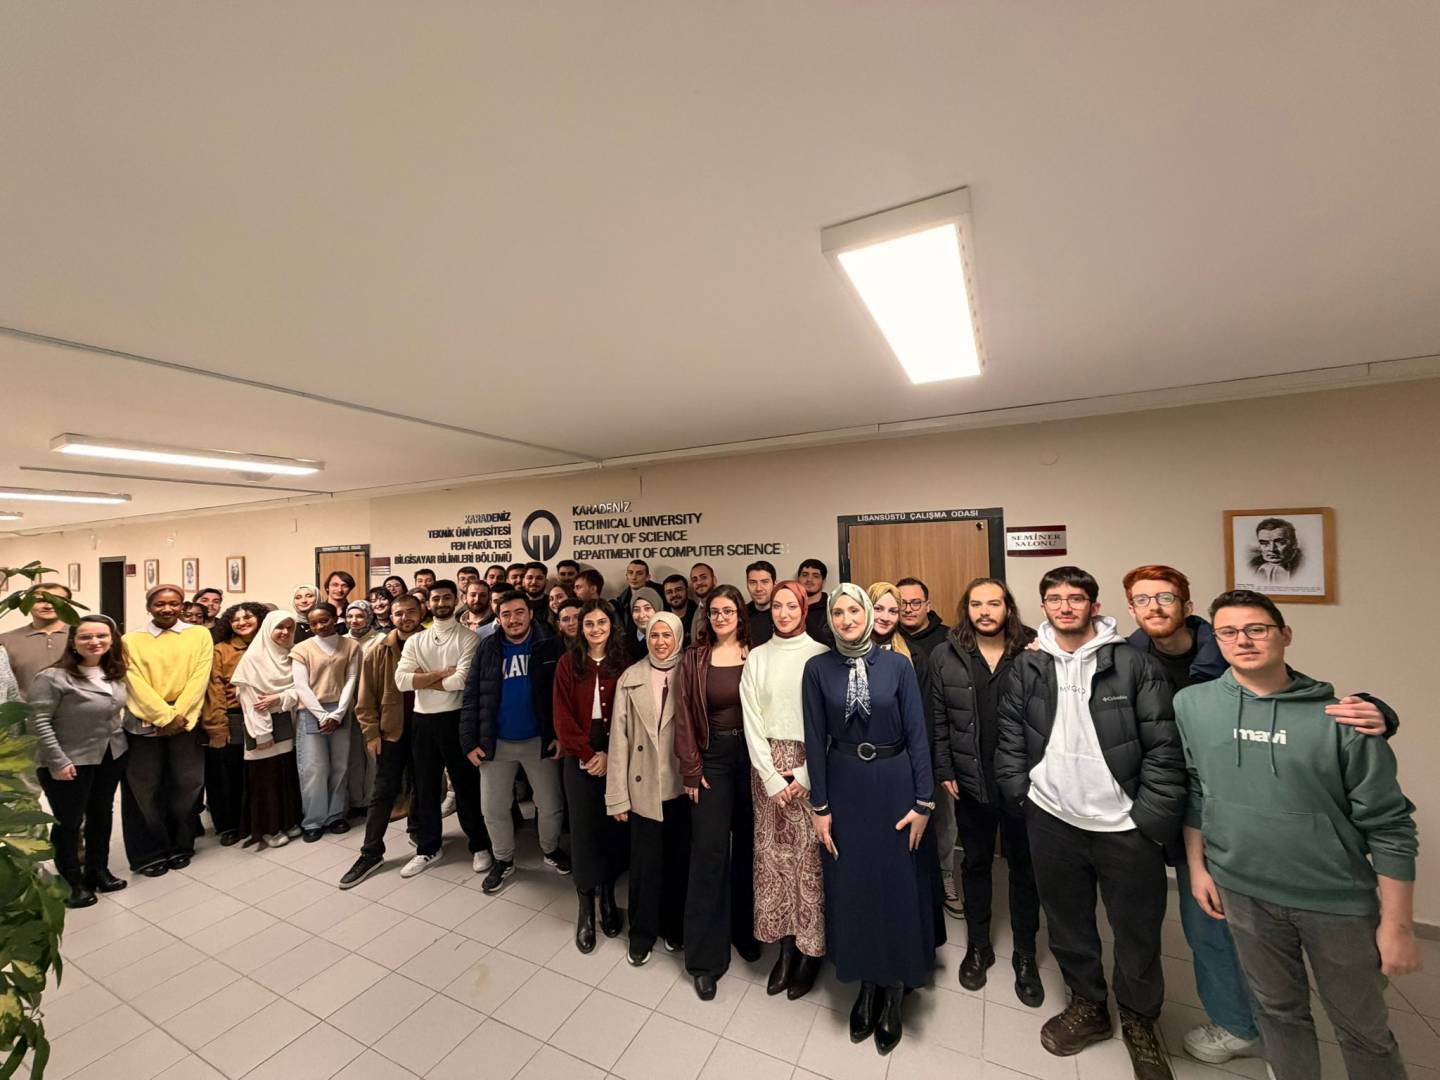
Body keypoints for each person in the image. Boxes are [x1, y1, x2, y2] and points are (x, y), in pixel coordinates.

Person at [1123, 564, 1399, 1066]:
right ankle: (1238, 1026)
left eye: (1165, 597)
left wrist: (1379, 710)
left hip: (1283, 849)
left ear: (1186, 604)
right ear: (1130, 609)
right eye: (1142, 600)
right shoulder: (1125, 657)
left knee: (1353, 1016)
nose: (1154, 607)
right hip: (1185, 820)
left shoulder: (1224, 649)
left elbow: (1287, 697)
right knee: (1210, 935)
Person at [1180, 589, 1418, 1080]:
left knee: (1363, 1031)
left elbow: (1391, 827)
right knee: (1277, 1014)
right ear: (1214, 640)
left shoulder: (1342, 719)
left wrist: (1397, 925)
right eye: (1228, 632)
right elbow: (1198, 790)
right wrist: (1198, 867)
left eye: (1257, 629)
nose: (1243, 640)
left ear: (1284, 634)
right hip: (1241, 890)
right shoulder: (1193, 705)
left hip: (1333, 898)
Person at [994, 566, 1184, 1080]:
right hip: (1053, 819)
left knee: (1137, 931)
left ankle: (1141, 1022)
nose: (1065, 606)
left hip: (1124, 826)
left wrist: (1149, 817)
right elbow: (1010, 733)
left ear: (1094, 606)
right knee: (1069, 924)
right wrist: (1021, 791)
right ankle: (1088, 1005)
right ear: (1043, 606)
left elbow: (1164, 748)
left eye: (1075, 598)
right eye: (1054, 598)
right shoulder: (1029, 665)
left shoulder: (1133, 663)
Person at [803, 584, 936, 1056]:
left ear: (866, 614)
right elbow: (813, 739)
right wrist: (820, 807)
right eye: (837, 612)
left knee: (895, 881)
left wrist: (924, 802)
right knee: (854, 883)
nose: (846, 619)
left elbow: (918, 734)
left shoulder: (897, 665)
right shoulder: (817, 668)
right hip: (844, 783)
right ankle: (867, 983)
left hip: (895, 780)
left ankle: (895, 985)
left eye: (853, 610)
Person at [929, 578, 1043, 1006]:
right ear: (967, 609)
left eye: (993, 603)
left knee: (1025, 868)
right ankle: (979, 947)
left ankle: (1026, 954)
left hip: (1024, 783)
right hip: (970, 780)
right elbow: (938, 718)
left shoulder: (1034, 650)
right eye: (976, 604)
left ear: (1007, 608)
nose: (985, 611)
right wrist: (944, 768)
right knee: (975, 864)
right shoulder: (947, 654)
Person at [740, 580, 828, 999]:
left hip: (813, 768)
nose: (784, 613)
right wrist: (772, 777)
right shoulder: (757, 657)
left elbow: (831, 722)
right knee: (774, 863)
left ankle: (811, 953)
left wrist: (806, 775)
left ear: (804, 608)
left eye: (792, 605)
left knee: (809, 864)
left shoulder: (822, 655)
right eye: (777, 606)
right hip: (768, 772)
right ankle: (786, 949)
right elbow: (751, 720)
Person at [674, 584, 762, 1000]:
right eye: (714, 612)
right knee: (709, 853)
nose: (721, 618)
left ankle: (744, 932)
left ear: (740, 614)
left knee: (748, 848)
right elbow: (684, 718)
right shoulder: (694, 658)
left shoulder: (756, 654)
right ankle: (705, 959)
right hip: (711, 762)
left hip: (753, 759)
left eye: (728, 611)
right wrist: (691, 770)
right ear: (707, 617)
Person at [461, 591, 570, 894]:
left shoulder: (550, 645)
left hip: (540, 741)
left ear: (531, 614)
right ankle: (503, 859)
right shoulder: (487, 648)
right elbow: (472, 695)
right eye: (506, 614)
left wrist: (560, 735)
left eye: (519, 612)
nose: (513, 619)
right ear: (498, 619)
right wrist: (469, 741)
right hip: (496, 743)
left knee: (550, 805)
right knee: (494, 809)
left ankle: (550, 850)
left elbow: (562, 695)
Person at [608, 611, 691, 966]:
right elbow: (619, 741)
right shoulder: (631, 677)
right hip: (643, 788)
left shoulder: (691, 671)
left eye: (667, 635)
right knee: (644, 867)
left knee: (678, 863)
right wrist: (617, 797)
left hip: (681, 787)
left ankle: (674, 928)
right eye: (654, 635)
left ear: (678, 637)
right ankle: (641, 933)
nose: (660, 642)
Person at [30, 615, 130, 907]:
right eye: (86, 637)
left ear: (112, 640)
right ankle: (71, 882)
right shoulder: (52, 677)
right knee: (69, 821)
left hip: (110, 754)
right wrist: (57, 761)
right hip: (69, 759)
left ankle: (98, 870)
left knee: (101, 814)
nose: (94, 642)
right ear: (73, 642)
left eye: (101, 636)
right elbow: (38, 722)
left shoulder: (113, 671)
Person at [394, 579, 492, 877]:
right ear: (428, 603)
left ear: (456, 600)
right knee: (425, 787)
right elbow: (401, 681)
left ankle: (480, 845)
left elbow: (461, 680)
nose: (441, 603)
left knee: (466, 786)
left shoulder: (468, 638)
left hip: (456, 719)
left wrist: (423, 679)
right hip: (423, 721)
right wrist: (441, 675)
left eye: (447, 597)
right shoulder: (416, 640)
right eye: (435, 598)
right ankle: (428, 847)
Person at [119, 585, 215, 876]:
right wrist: (163, 716)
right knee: (144, 788)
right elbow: (133, 682)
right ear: (148, 607)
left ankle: (180, 845)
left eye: (174, 604)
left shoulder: (199, 635)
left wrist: (179, 716)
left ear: (182, 606)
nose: (167, 609)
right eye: (159, 604)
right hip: (143, 721)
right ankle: (149, 853)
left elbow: (199, 677)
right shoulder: (130, 640)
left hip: (185, 720)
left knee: (187, 784)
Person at [554, 600, 631, 952]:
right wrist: (588, 755)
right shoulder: (567, 663)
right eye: (589, 624)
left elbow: (631, 715)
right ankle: (585, 906)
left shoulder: (624, 662)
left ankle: (607, 898)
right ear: (580, 628)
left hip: (617, 754)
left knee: (613, 829)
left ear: (611, 625)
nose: (596, 629)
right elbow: (562, 717)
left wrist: (612, 756)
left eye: (602, 622)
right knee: (584, 831)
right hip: (580, 756)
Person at [339, 593, 424, 887]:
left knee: (423, 786)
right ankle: (371, 852)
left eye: (410, 612)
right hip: (392, 732)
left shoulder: (432, 644)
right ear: (390, 616)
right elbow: (365, 699)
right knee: (383, 791)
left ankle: (418, 831)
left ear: (421, 612)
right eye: (399, 613)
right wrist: (371, 734)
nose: (405, 618)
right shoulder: (379, 651)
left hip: (427, 730)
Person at [231, 609, 304, 847]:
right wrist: (263, 735)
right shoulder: (253, 659)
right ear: (267, 629)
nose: (285, 632)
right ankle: (268, 829)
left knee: (285, 775)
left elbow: (303, 689)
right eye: (279, 627)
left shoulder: (293, 655)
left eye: (289, 628)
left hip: (287, 723)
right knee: (265, 780)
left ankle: (288, 821)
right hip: (262, 728)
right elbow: (251, 702)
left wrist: (280, 697)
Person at [290, 603, 361, 840]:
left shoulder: (350, 645)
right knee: (314, 768)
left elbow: (351, 678)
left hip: (340, 710)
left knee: (340, 766)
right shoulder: (301, 649)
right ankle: (313, 820)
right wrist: (322, 715)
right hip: (311, 711)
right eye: (314, 623)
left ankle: (336, 815)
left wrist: (338, 713)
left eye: (324, 620)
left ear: (335, 618)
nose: (320, 626)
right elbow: (301, 686)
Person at [203, 602, 269, 846]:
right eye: (236, 619)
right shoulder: (221, 650)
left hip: (267, 714)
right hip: (234, 717)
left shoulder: (270, 645)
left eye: (248, 617)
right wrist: (217, 727)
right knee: (231, 776)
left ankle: (261, 820)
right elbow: (215, 690)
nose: (242, 622)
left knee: (260, 773)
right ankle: (231, 825)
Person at [343, 601, 384, 816]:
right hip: (347, 706)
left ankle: (371, 800)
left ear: (369, 617)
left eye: (359, 616)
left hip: (373, 704)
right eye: (350, 616)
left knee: (373, 754)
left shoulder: (380, 640)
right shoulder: (342, 641)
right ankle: (355, 800)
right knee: (353, 754)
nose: (354, 621)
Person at [0, 580, 74, 694]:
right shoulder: (5, 641)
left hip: (79, 705)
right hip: (24, 705)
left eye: (57, 601)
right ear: (27, 604)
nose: (48, 606)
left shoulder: (85, 638)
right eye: (40, 601)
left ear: (68, 605)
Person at [1248, 517, 1303, 584]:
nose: (1272, 549)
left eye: (1280, 542)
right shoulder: (1253, 567)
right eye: (1264, 543)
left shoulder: (1303, 566)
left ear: (1294, 543)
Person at [613, 559, 658, 628]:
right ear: (626, 577)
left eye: (639, 573)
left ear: (647, 577)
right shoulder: (621, 602)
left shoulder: (659, 595)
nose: (634, 577)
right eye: (630, 573)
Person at [744, 560, 777, 646]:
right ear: (747, 585)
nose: (758, 588)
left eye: (765, 582)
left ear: (774, 584)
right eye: (753, 582)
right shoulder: (740, 615)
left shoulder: (784, 614)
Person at [797, 559, 830, 641]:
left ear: (823, 581)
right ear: (798, 579)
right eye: (805, 575)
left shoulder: (832, 608)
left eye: (816, 576)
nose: (809, 579)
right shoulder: (789, 607)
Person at [626, 586, 662, 661]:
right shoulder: (623, 643)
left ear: (657, 609)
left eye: (647, 608)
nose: (642, 615)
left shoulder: (668, 639)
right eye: (636, 610)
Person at [662, 574, 697, 642]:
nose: (674, 594)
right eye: (669, 592)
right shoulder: (662, 615)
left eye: (678, 590)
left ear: (687, 590)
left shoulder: (698, 613)